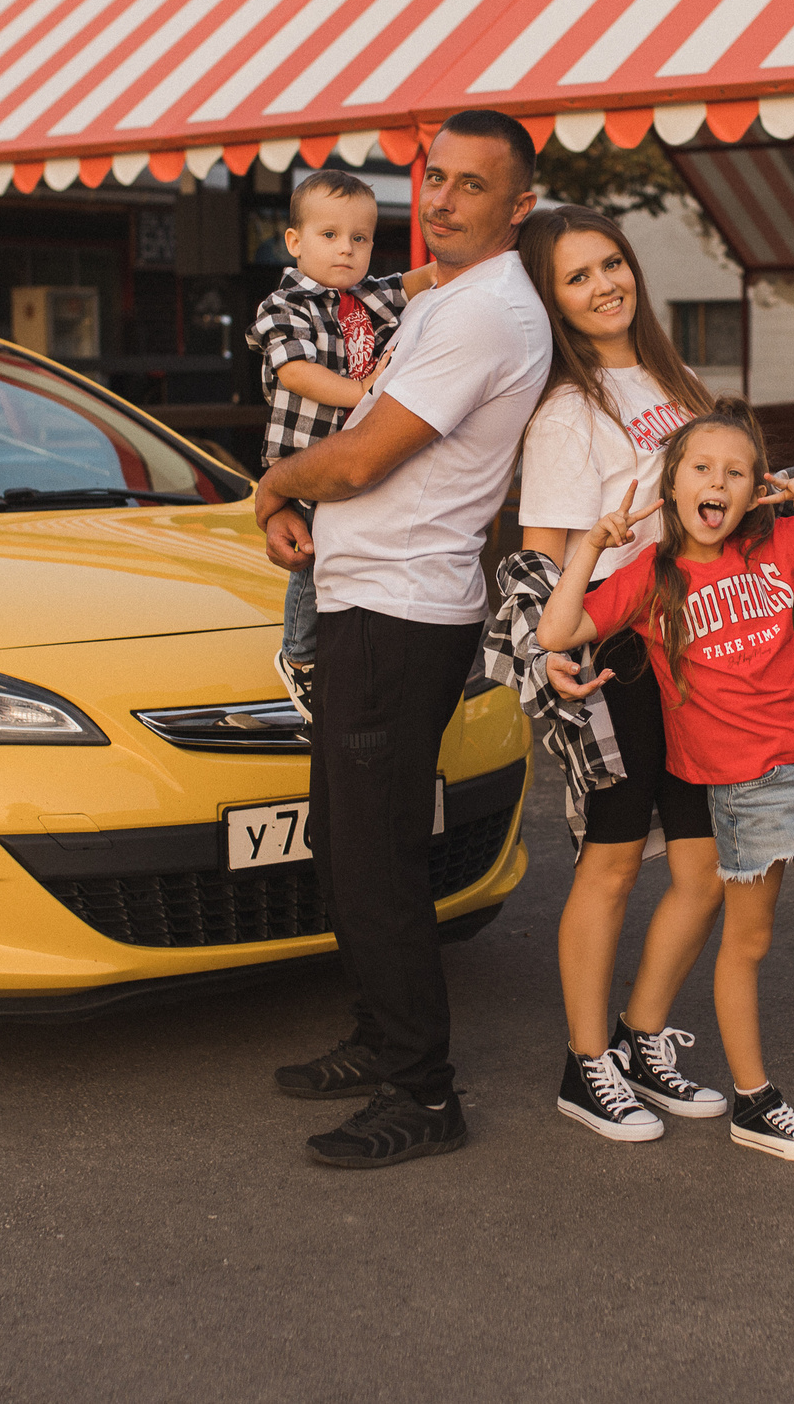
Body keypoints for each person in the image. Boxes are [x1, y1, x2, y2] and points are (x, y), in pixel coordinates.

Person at [254, 111, 551, 1169]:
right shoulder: (443, 300)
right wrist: (309, 509)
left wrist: (274, 487)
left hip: (404, 612)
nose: (442, 200)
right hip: (362, 601)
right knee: (345, 840)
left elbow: (358, 458)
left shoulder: (487, 314)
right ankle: (381, 1040)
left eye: (473, 186)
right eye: (435, 179)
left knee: (376, 857)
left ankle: (424, 1096)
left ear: (518, 206)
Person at [538, 405, 794, 1163]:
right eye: (700, 467)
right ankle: (755, 1103)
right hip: (748, 783)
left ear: (758, 487)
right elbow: (558, 633)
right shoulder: (649, 578)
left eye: (735, 470)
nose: (716, 481)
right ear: (671, 484)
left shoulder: (778, 541)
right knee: (748, 939)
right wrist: (589, 546)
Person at [505, 206, 727, 1143]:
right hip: (620, 652)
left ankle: (641, 1038)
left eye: (611, 264)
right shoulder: (566, 410)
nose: (603, 285)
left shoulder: (677, 383)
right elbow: (544, 552)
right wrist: (550, 653)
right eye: (576, 276)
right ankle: (584, 1062)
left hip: (700, 651)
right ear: (551, 301)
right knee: (608, 865)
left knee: (705, 867)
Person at [242, 168, 432, 722]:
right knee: (312, 551)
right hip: (303, 454)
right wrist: (365, 393)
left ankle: (342, 649)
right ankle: (299, 655)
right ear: (295, 243)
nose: (346, 250)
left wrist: (464, 267)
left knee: (341, 545)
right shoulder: (284, 306)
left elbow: (418, 281)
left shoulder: (368, 298)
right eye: (329, 236)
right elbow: (297, 372)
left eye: (361, 238)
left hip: (350, 454)